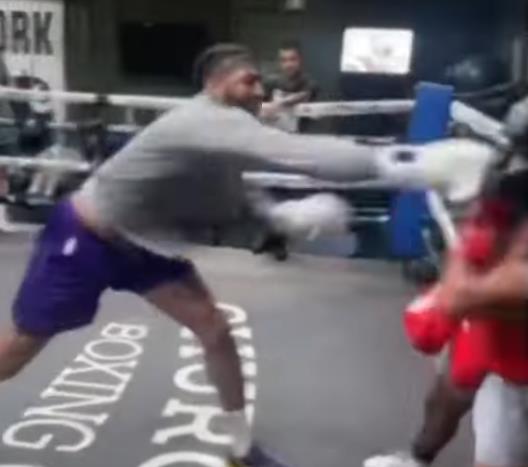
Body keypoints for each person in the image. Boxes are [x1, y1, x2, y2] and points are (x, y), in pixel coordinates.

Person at [0, 43, 494, 467]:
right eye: (249, 80)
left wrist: (278, 220)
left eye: (261, 81)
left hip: (145, 244)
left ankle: (239, 448)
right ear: (216, 84)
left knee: (215, 330)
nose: (260, 90)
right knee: (21, 347)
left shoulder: (222, 130)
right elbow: (300, 154)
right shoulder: (205, 119)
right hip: (87, 239)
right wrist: (413, 162)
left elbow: (225, 202)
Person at [261, 40, 318, 133]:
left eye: (292, 59)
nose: (288, 64)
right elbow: (257, 104)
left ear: (300, 60)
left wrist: (278, 105)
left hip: (299, 136)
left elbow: (303, 96)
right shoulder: (270, 83)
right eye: (284, 60)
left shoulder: (309, 83)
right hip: (273, 134)